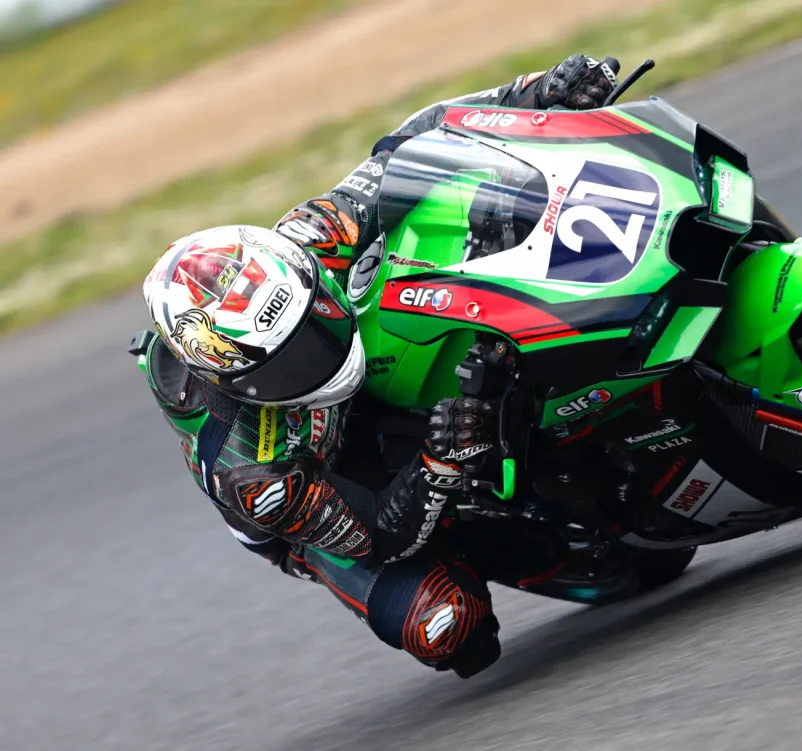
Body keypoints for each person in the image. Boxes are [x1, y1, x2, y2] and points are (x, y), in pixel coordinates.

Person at [133, 55, 620, 679]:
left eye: (314, 318)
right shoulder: (253, 472)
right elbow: (377, 535)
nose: (318, 350)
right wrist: (439, 463)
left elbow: (413, 142)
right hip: (321, 486)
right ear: (242, 382)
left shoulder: (308, 238)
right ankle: (521, 548)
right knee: (447, 625)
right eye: (289, 361)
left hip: (359, 389)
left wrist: (535, 92)